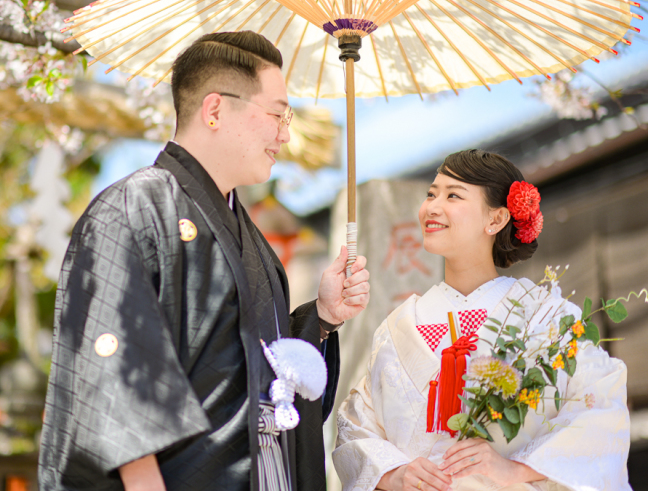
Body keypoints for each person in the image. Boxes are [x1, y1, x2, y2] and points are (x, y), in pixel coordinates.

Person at [38, 31, 371, 491]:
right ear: (214, 110)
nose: (286, 134)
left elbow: (262, 374)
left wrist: (323, 319)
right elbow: (111, 376)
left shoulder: (247, 234)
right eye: (277, 114)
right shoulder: (135, 208)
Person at [333, 150, 630, 491]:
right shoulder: (397, 326)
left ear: (496, 219)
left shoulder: (544, 316)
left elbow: (601, 408)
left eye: (453, 195)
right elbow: (357, 423)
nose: (432, 206)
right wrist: (393, 472)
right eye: (431, 194)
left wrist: (516, 468)